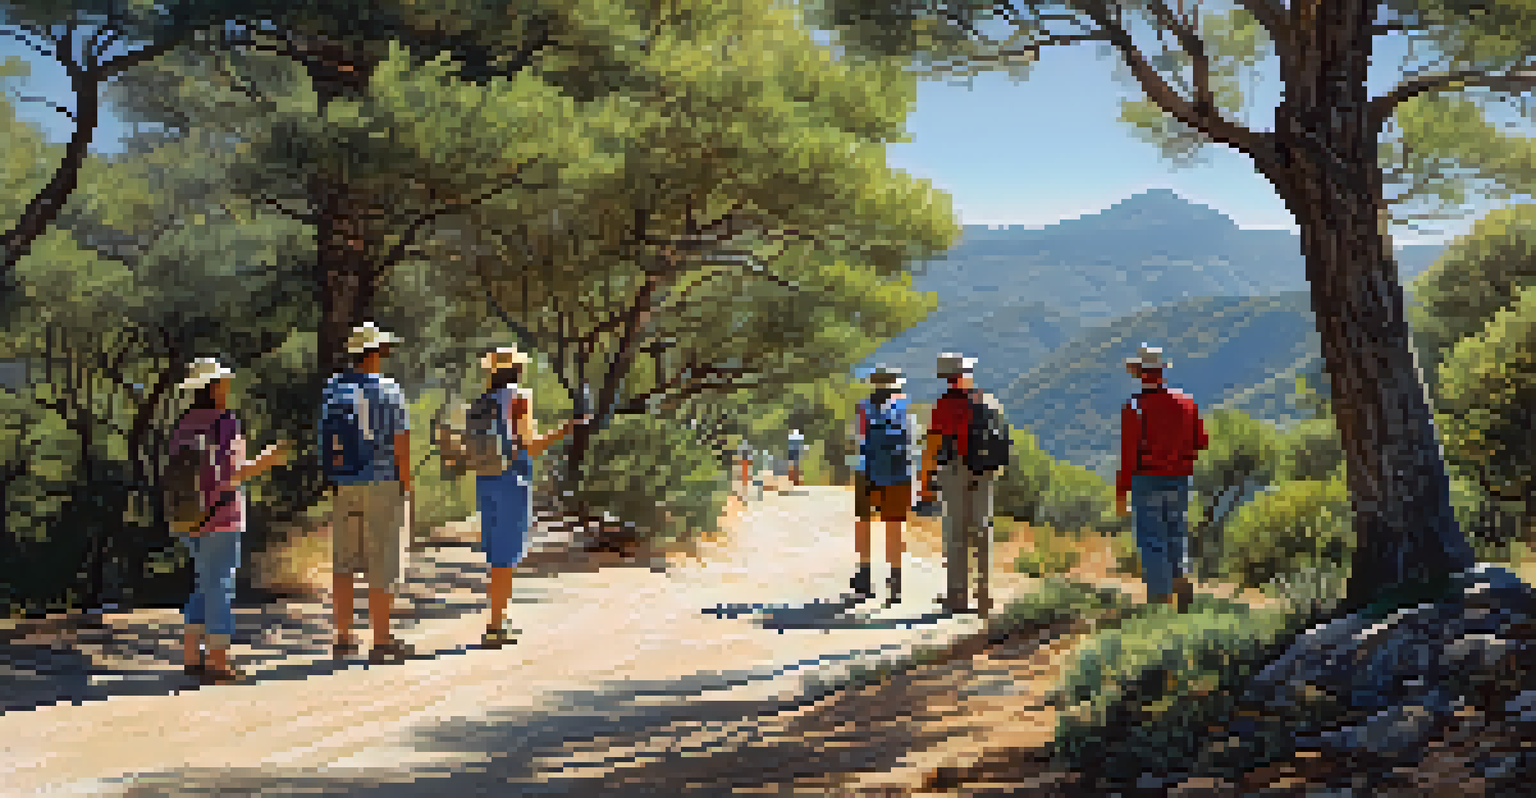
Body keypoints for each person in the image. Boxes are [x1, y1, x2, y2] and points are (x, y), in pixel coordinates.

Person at [169, 357, 291, 685]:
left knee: (203, 583)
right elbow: (233, 474)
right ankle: (218, 662)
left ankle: (192, 656)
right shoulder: (225, 422)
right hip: (221, 516)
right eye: (222, 382)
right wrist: (267, 460)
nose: (227, 386)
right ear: (213, 387)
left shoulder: (183, 424)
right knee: (220, 584)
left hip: (188, 517)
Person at [473, 346, 591, 648]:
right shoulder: (518, 398)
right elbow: (532, 445)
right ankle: (496, 625)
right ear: (516, 370)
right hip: (511, 478)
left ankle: (498, 618)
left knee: (495, 553)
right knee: (506, 555)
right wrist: (566, 429)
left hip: (485, 479)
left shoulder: (482, 400)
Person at [321, 322, 416, 664]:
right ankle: (381, 640)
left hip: (344, 481)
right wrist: (406, 484)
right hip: (383, 482)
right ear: (376, 353)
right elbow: (401, 443)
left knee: (344, 562)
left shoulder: (333, 388)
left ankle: (343, 637)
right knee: (382, 560)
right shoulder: (390, 390)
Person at [1115, 344, 1209, 612]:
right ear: (1162, 371)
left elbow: (1128, 455)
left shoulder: (1134, 406)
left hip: (1146, 479)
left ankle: (1160, 602)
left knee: (1151, 539)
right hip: (1180, 478)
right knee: (1176, 532)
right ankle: (1181, 578)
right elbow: (1202, 442)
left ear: (1138, 373)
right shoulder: (1187, 402)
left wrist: (1121, 493)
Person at [918, 353, 998, 616]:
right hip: (985, 471)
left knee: (956, 532)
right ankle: (984, 594)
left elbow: (932, 446)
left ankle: (957, 597)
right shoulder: (988, 400)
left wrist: (925, 482)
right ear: (967, 374)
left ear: (945, 377)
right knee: (982, 528)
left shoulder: (944, 405)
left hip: (955, 470)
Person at [850, 366, 913, 605]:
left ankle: (864, 578)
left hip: (866, 470)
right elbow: (910, 440)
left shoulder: (863, 407)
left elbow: (857, 439)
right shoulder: (904, 406)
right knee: (894, 525)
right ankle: (895, 583)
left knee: (864, 522)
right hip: (898, 473)